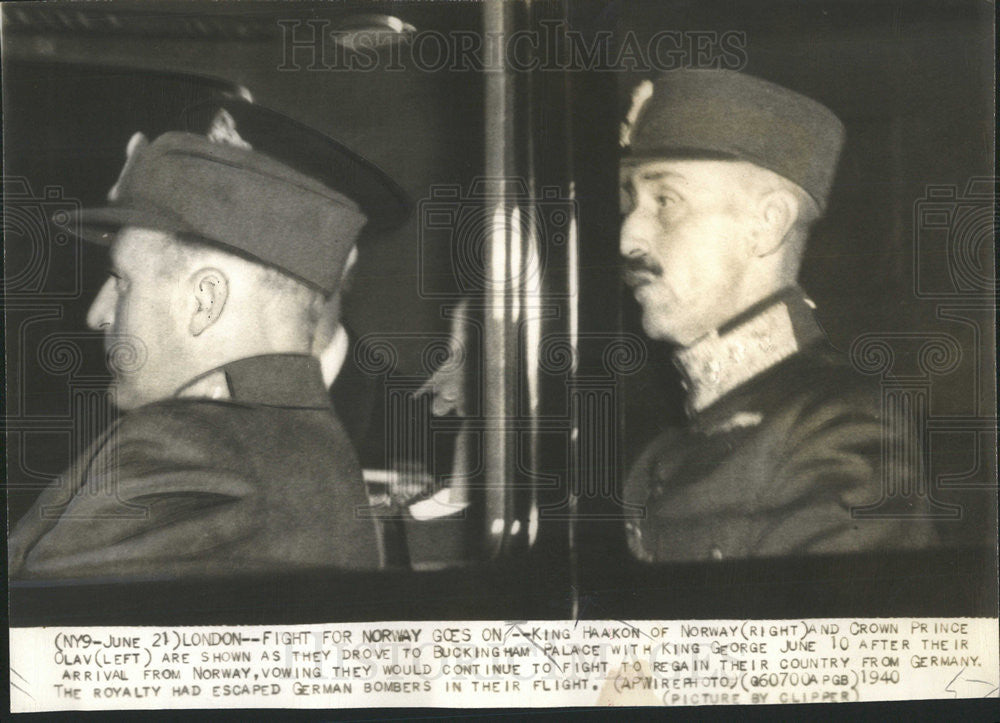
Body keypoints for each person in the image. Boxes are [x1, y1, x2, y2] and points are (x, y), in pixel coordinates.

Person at [9, 97, 409, 579]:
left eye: (122, 281)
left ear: (205, 300)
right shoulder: (308, 442)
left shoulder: (188, 449)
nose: (98, 314)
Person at [618, 70, 938, 562]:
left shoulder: (836, 426)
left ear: (767, 225)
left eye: (665, 200)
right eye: (629, 201)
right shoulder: (659, 443)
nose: (629, 238)